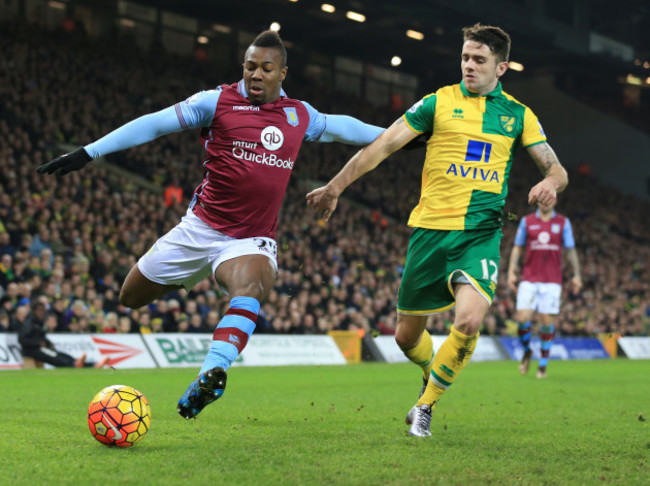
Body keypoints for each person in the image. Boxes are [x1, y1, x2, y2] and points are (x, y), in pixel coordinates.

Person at [37, 30, 384, 419]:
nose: (256, 74)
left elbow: (349, 129)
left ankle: (212, 371)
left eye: (266, 68)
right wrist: (89, 152)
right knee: (129, 297)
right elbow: (154, 124)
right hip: (198, 229)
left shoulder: (299, 115)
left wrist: (403, 136)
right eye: (250, 66)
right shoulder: (216, 101)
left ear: (282, 73)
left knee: (250, 287)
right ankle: (199, 281)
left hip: (249, 239)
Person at [307, 23, 569, 437]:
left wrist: (550, 183)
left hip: (480, 234)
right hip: (429, 232)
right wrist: (336, 186)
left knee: (467, 322)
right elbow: (384, 145)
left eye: (479, 60)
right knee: (405, 336)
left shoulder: (518, 115)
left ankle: (425, 405)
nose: (469, 65)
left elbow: (555, 167)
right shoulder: (437, 103)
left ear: (501, 68)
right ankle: (432, 372)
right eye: (465, 57)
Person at [506, 201, 581, 378]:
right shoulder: (527, 221)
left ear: (555, 200)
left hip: (552, 281)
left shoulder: (563, 222)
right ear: (537, 200)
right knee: (522, 318)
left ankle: (543, 365)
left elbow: (570, 250)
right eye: (542, 198)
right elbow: (517, 248)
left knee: (547, 323)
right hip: (529, 278)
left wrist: (577, 275)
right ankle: (527, 351)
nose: (546, 201)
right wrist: (511, 273)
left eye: (549, 198)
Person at [18, 302, 110, 368]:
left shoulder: (37, 322)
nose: (42, 313)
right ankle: (76, 364)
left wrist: (47, 342)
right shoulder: (29, 323)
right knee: (54, 356)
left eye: (43, 310)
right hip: (32, 350)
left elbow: (39, 336)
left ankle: (88, 364)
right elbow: (22, 339)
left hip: (39, 348)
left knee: (61, 354)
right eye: (40, 310)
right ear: (34, 311)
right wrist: (38, 343)